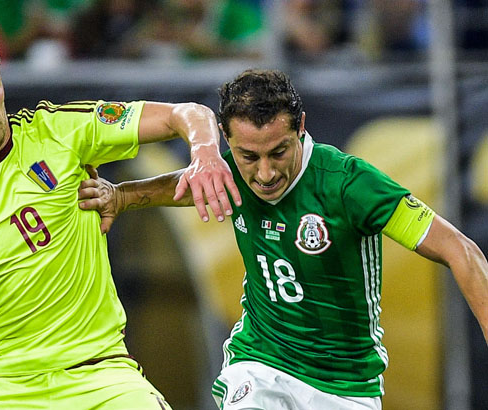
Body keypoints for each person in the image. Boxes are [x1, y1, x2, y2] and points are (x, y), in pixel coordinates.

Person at [0, 13, 240, 409]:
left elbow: (186, 113)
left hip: (102, 376)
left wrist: (204, 153)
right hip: (3, 387)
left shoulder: (59, 131)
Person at [76, 69, 488, 409]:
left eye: (279, 152)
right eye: (249, 157)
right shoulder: (232, 169)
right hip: (261, 363)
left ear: (301, 128)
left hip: (346, 386)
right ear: (227, 139)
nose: (266, 174)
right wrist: (121, 195)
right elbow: (187, 185)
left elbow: (463, 252)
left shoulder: (349, 184)